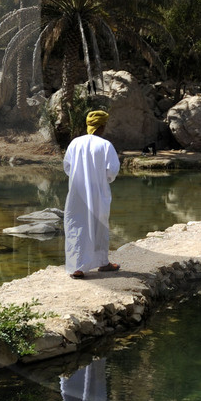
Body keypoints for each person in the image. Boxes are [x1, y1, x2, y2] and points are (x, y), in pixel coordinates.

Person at [63, 109, 121, 279]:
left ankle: (77, 268)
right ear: (101, 126)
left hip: (76, 195)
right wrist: (101, 179)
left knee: (77, 226)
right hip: (98, 194)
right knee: (99, 227)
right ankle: (102, 262)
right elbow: (112, 171)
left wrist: (79, 177)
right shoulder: (105, 145)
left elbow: (67, 167)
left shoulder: (75, 143)